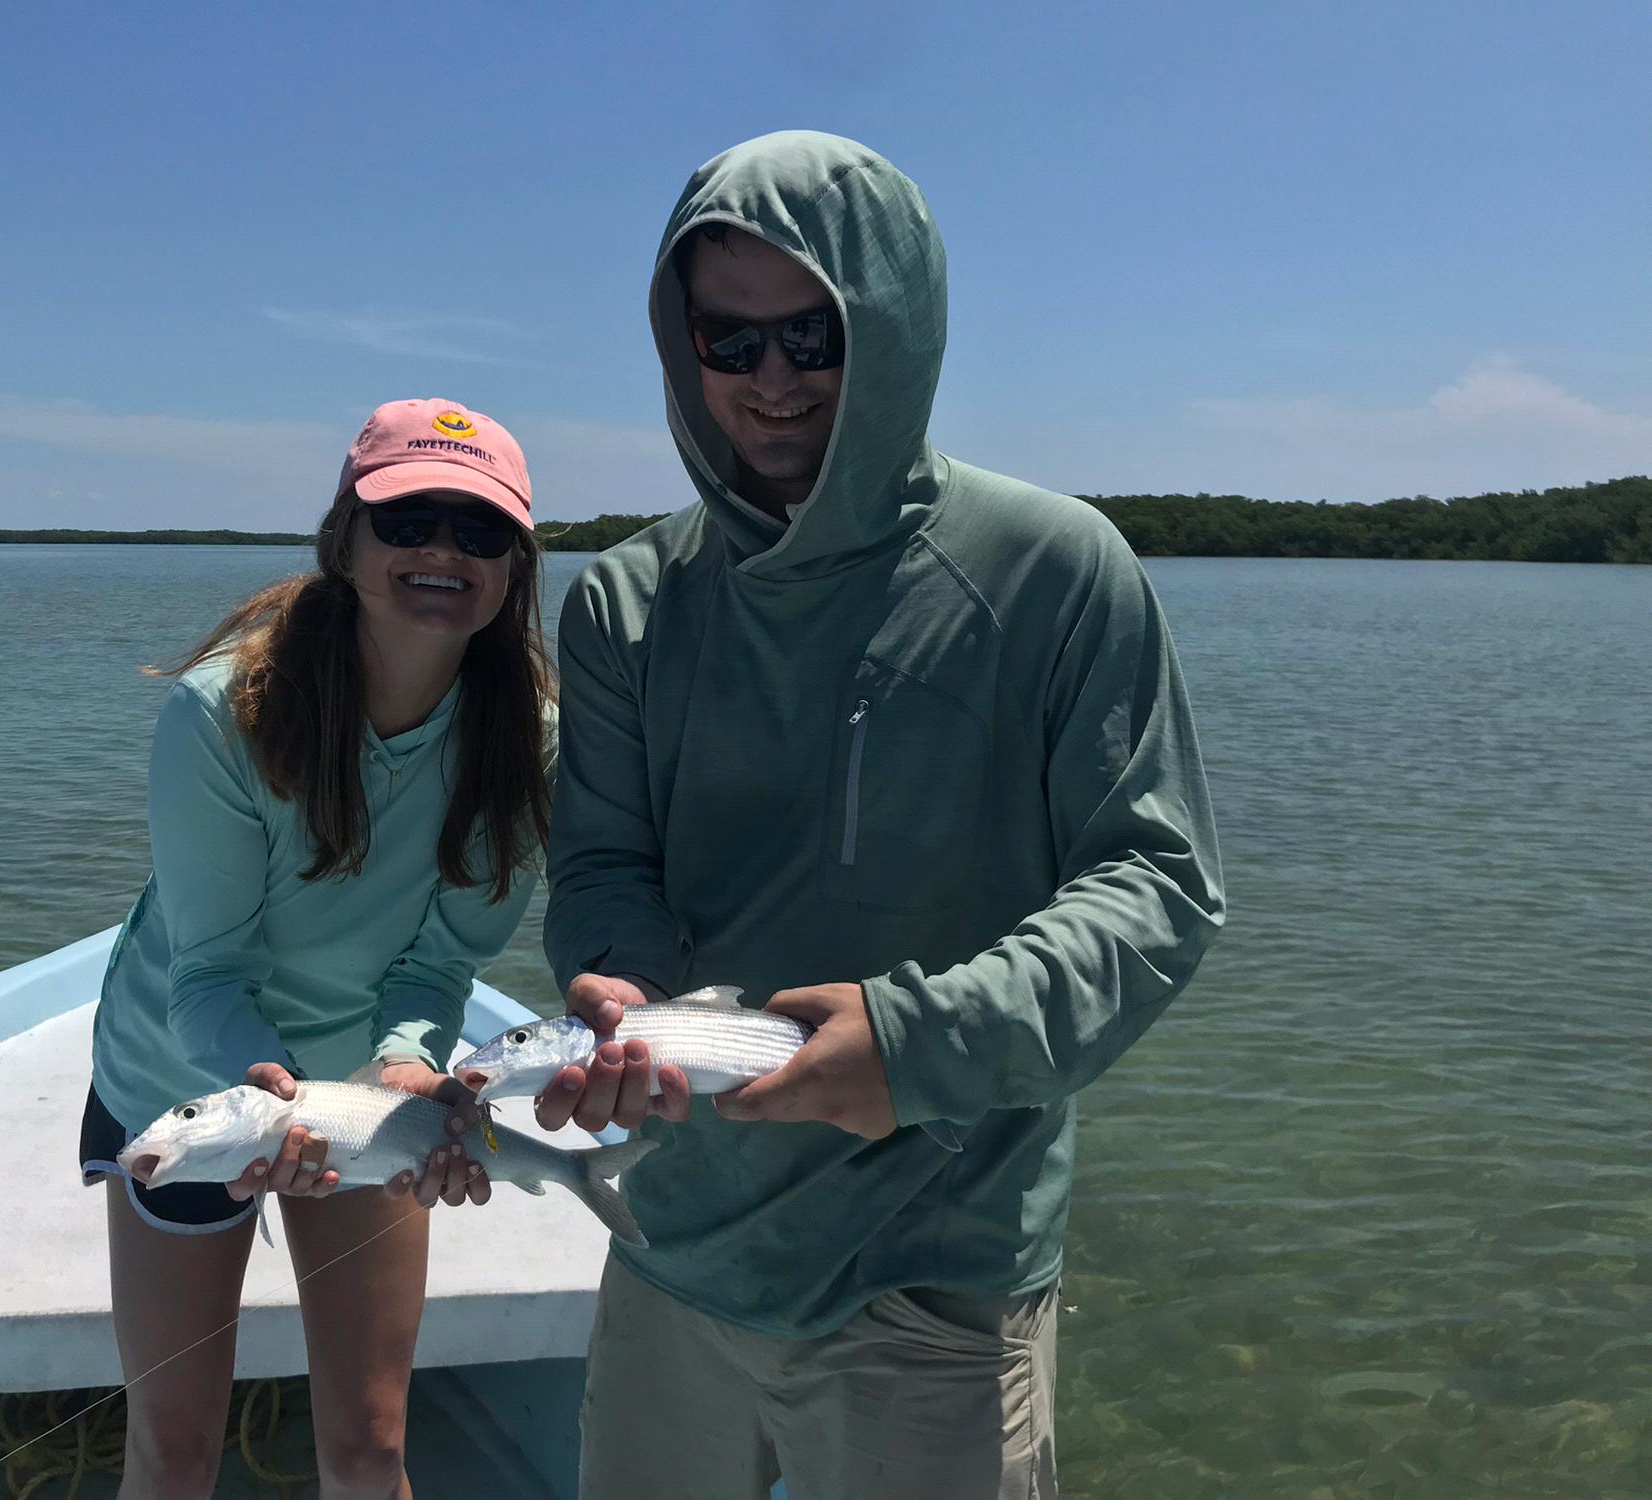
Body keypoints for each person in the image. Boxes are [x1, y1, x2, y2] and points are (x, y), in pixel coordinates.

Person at [536, 132, 1226, 1499]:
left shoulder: (1054, 570)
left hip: (936, 1273)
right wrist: (613, 987)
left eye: (813, 332)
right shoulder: (622, 602)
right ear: (683, 352)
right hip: (676, 1244)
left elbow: (1154, 888)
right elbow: (608, 862)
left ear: (896, 326)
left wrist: (916, 1043)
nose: (775, 381)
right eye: (728, 342)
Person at [77, 398, 554, 1500]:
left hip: (363, 1091)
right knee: (175, 1445)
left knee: (370, 1446)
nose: (441, 551)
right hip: (183, 1075)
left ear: (513, 568)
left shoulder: (527, 739)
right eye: (407, 519)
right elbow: (208, 975)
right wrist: (262, 1090)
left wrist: (403, 1066)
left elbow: (438, 967)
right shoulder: (223, 714)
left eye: (478, 531)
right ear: (343, 537)